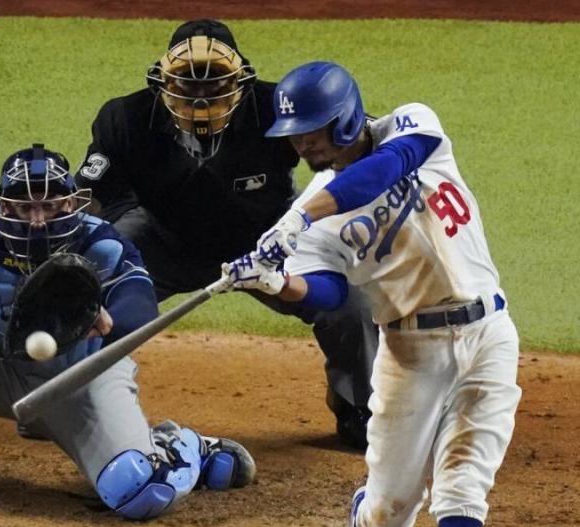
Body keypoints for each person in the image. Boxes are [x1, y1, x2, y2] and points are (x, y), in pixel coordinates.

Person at [0, 143, 257, 520]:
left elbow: (140, 307)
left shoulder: (101, 243)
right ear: (2, 207)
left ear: (72, 205)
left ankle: (179, 447)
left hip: (82, 380)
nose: (38, 220)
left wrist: (103, 318)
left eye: (52, 206)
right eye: (24, 207)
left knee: (138, 492)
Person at [223, 62, 521, 527]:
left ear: (344, 115)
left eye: (311, 129)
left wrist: (298, 220)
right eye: (294, 135)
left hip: (489, 335)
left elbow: (385, 168)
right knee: (388, 514)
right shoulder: (309, 216)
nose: (302, 144)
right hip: (411, 355)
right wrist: (277, 284)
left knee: (463, 489)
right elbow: (330, 292)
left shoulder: (411, 124)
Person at [76, 18, 378, 449]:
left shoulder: (276, 105)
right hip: (162, 239)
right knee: (89, 282)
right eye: (187, 81)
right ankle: (69, 398)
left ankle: (359, 406)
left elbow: (353, 140)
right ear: (162, 80)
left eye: (214, 81)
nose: (200, 94)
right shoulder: (125, 117)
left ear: (242, 80)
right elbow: (92, 195)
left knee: (350, 301)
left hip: (265, 242)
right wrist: (84, 258)